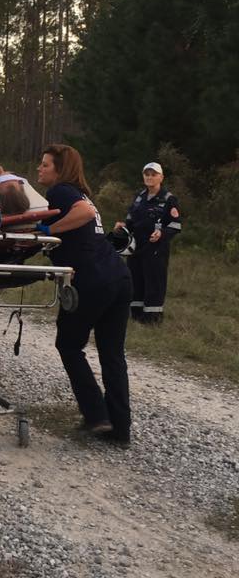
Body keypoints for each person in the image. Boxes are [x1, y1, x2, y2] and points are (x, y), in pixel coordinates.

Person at [36, 144, 133, 448]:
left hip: (92, 279)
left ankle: (96, 414)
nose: (39, 169)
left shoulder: (62, 192)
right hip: (118, 276)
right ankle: (120, 428)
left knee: (68, 343)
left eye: (45, 165)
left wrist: (49, 229)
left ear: (60, 170)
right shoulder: (79, 191)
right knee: (112, 352)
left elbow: (84, 213)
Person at [115, 162, 181, 324]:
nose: (149, 177)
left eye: (153, 174)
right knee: (135, 279)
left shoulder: (168, 199)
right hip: (137, 246)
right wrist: (123, 226)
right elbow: (131, 220)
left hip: (156, 248)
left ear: (161, 177)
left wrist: (162, 233)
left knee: (154, 281)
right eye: (147, 174)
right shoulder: (139, 197)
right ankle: (136, 316)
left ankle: (152, 319)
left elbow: (175, 225)